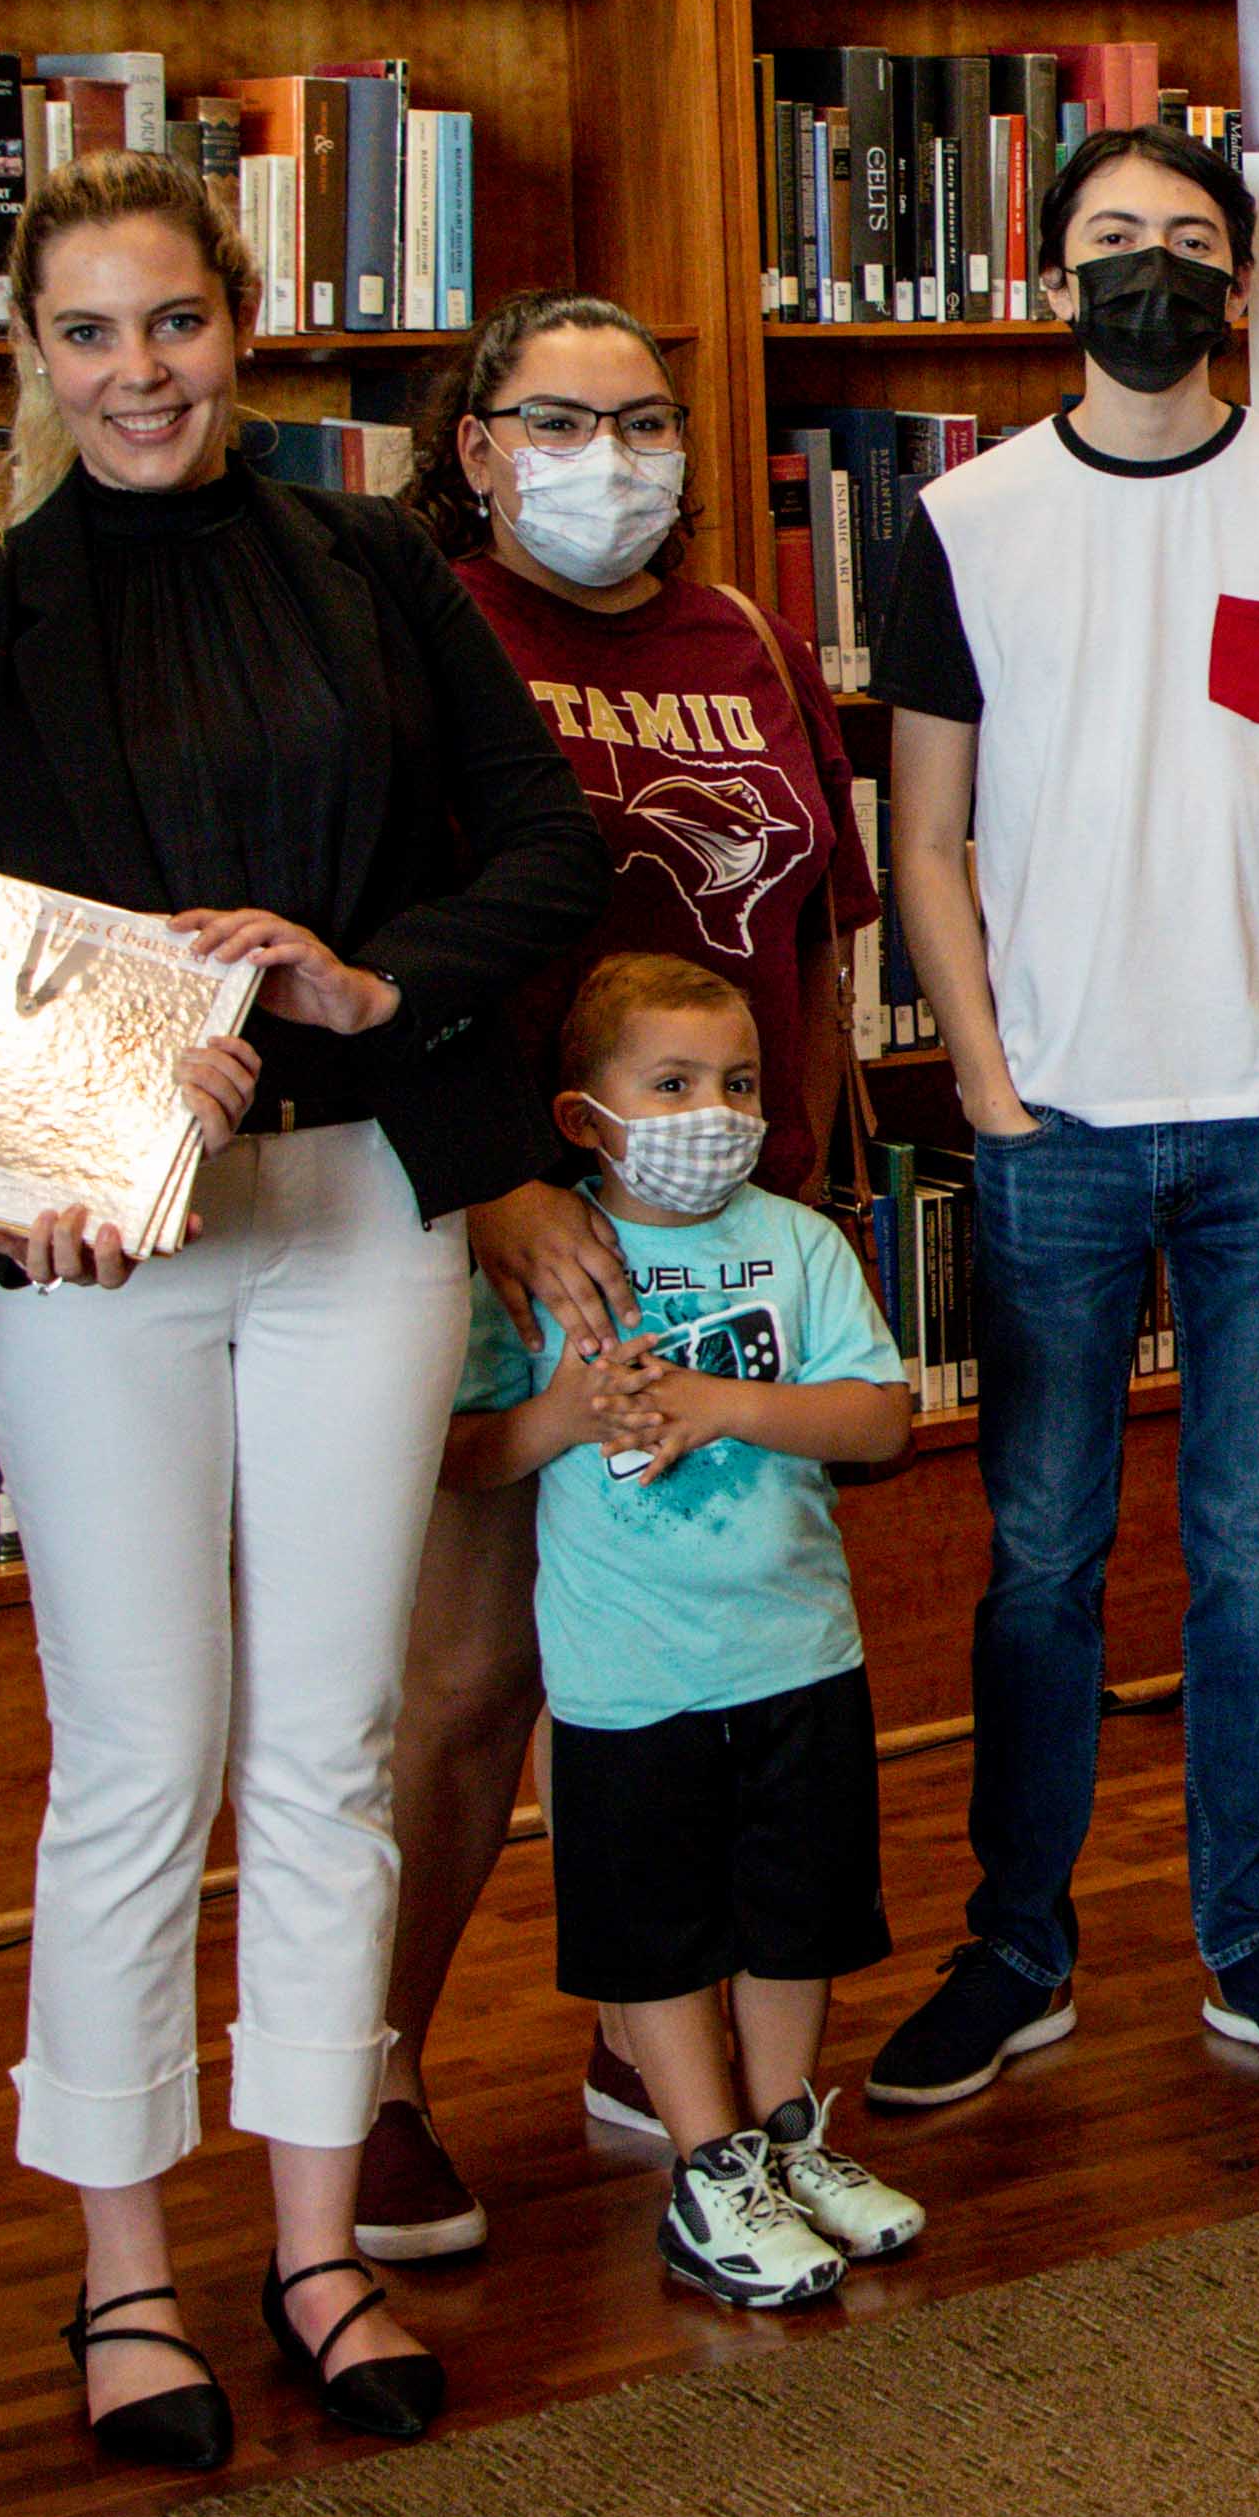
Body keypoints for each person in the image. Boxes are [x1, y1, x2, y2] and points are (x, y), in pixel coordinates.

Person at [0, 152, 609, 2469]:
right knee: (137, 1754)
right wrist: (83, 1100)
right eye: (86, 332)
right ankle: (122, 2272)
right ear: (35, 349)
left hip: (355, 1213)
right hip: (109, 1244)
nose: (136, 371)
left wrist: (373, 983)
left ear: (244, 323)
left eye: (171, 322)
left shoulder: (379, 567)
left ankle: (311, 2240)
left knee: (325, 1745)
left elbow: (545, 855)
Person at [859, 124, 1259, 2110]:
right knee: (1036, 1554)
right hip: (1054, 1125)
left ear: (1240, 287)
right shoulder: (967, 520)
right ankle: (1014, 1941)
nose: (1150, 273)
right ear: (1055, 272)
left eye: (1187, 244)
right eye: (1113, 240)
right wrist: (989, 1079)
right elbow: (920, 833)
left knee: (1251, 1552)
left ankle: (1247, 1935)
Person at [351, 292, 872, 2268]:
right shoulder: (418, 624)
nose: (607, 454)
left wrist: (796, 1167)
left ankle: (651, 2052)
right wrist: (491, 1181)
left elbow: (812, 920)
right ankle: (376, 2070)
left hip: (727, 1209)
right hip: (520, 1212)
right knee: (478, 1681)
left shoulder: (736, 633)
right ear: (473, 442)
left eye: (642, 417)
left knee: (705, 1659)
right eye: (555, 418)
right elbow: (379, 937)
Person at [442, 955, 929, 2310]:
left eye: (737, 1084)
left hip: (799, 1655)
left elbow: (879, 1417)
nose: (711, 1109)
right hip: (628, 1681)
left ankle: (785, 2138)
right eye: (671, 1084)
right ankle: (708, 2162)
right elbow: (468, 1452)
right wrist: (573, 1416)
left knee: (796, 1916)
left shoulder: (803, 1241)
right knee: (655, 1931)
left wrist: (720, 1404)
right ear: (585, 1115)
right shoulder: (547, 1263)